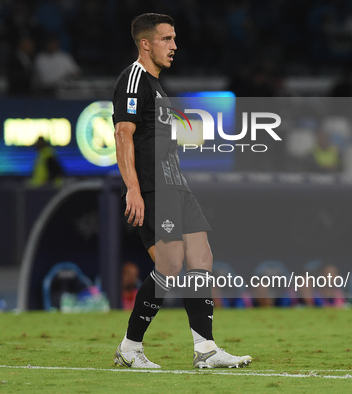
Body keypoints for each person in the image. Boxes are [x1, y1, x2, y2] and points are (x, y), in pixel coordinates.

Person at [112, 13, 252, 369]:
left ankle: (205, 349)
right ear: (145, 44)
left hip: (177, 185)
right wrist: (133, 189)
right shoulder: (133, 81)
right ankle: (130, 347)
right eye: (167, 39)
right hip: (155, 187)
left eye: (174, 39)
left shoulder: (158, 86)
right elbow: (123, 135)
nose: (174, 46)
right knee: (171, 266)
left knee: (202, 258)